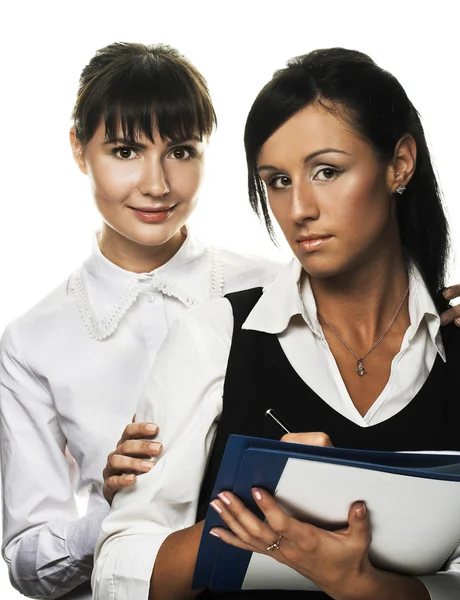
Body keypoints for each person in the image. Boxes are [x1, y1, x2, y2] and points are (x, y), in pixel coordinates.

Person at [93, 48, 460, 600]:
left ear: (399, 165)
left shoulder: (449, 345)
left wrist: (362, 584)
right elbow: (117, 570)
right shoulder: (214, 335)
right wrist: (259, 511)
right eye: (277, 181)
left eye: (327, 171)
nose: (298, 209)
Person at [0, 42, 282, 600]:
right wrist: (113, 509)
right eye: (125, 151)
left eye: (181, 151)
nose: (157, 184)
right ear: (80, 150)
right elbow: (27, 563)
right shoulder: (34, 339)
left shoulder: (276, 288)